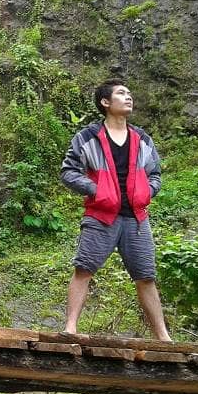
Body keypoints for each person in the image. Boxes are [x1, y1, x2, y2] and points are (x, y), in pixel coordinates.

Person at [60, 78, 171, 341]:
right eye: (121, 93)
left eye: (129, 93)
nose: (128, 97)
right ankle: (70, 327)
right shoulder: (87, 138)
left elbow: (154, 174)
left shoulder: (142, 138)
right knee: (84, 269)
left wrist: (147, 191)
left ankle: (164, 337)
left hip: (136, 218)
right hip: (101, 216)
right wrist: (96, 190)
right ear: (105, 102)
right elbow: (68, 171)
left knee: (146, 276)